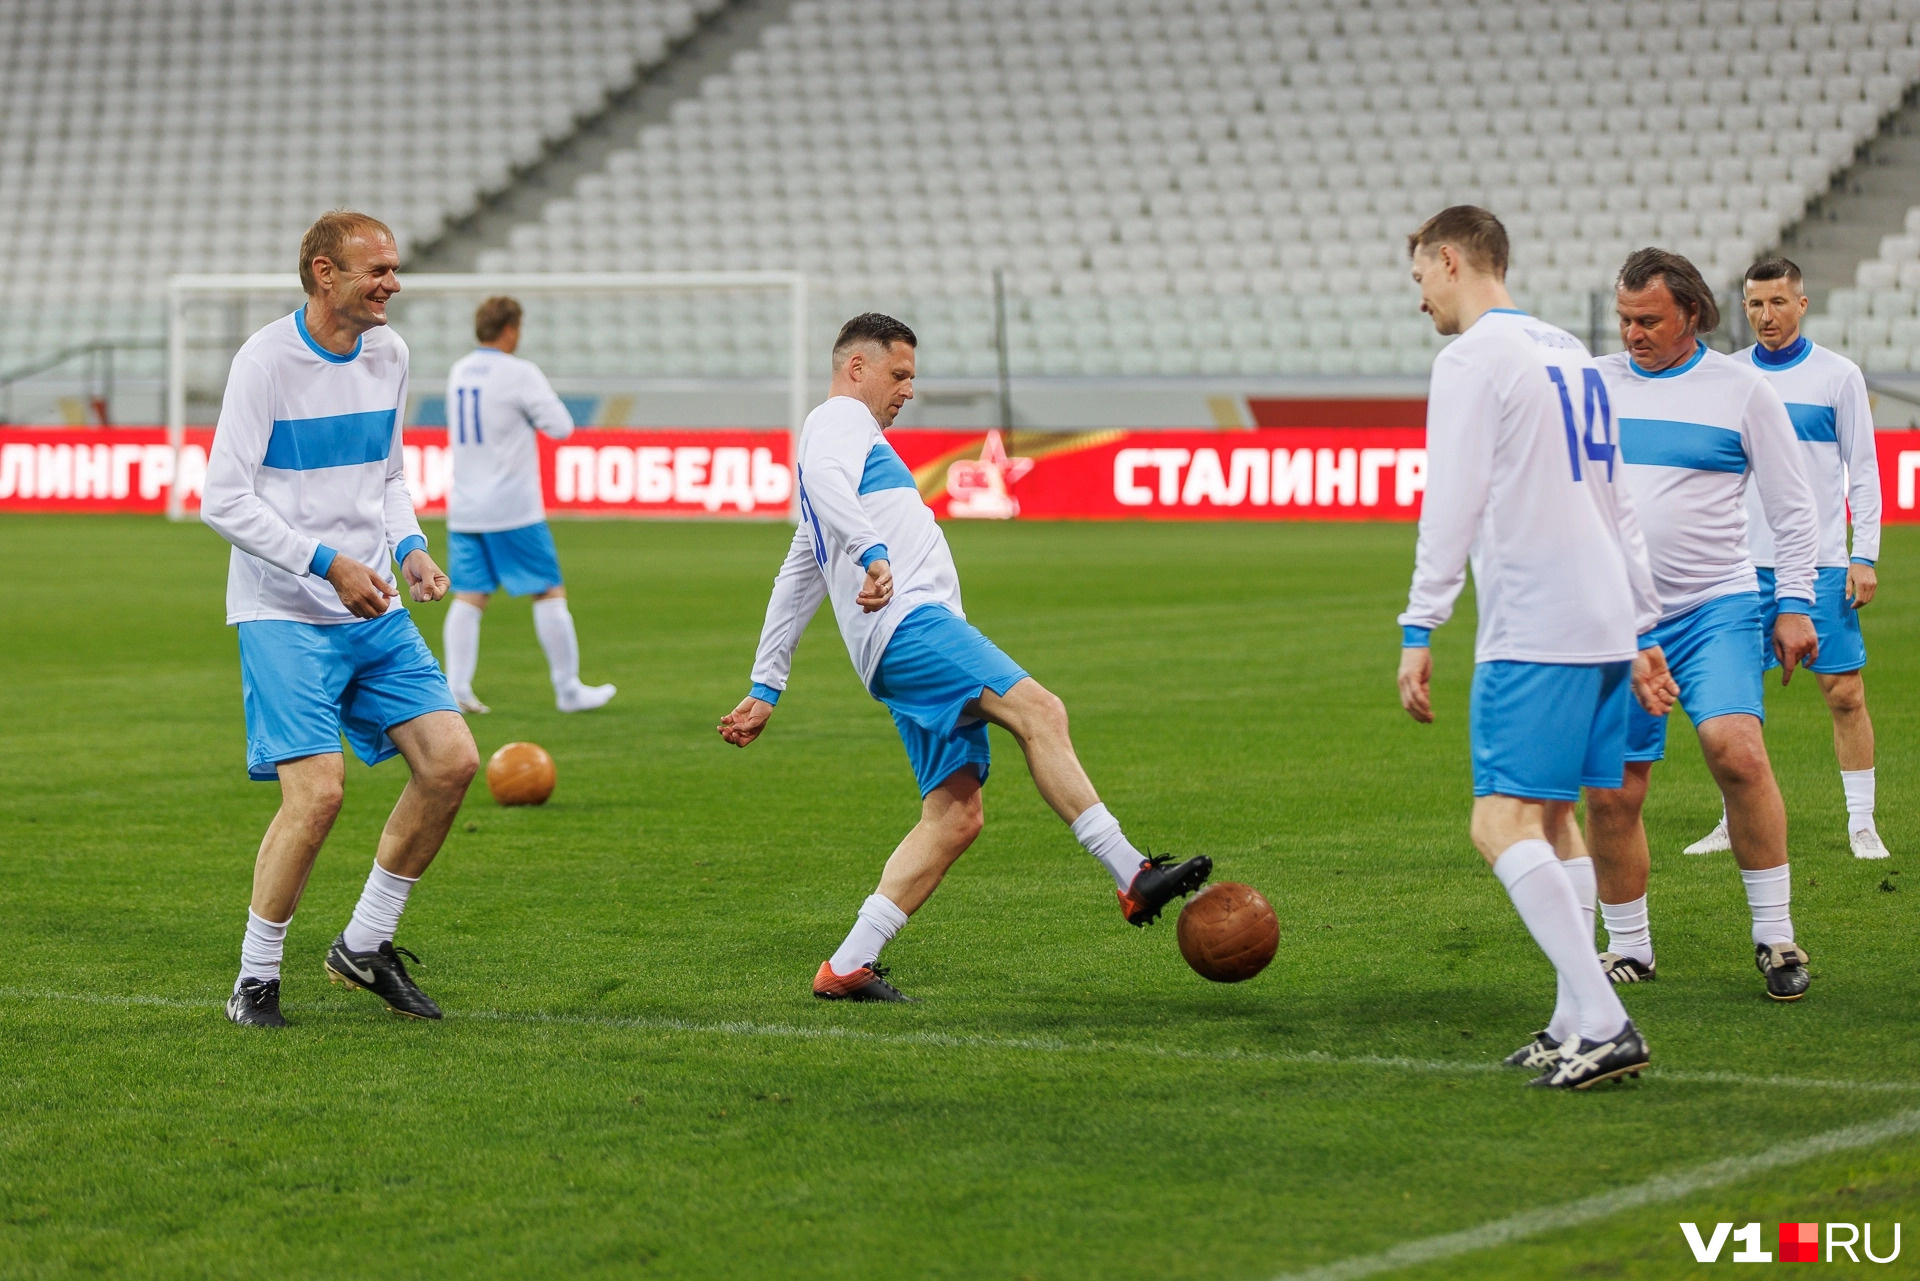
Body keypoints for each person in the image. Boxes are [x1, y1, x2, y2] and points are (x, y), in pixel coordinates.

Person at [718, 313, 1212, 1002]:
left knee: (955, 815)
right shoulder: (838, 424)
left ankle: (848, 963)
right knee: (1040, 708)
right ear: (856, 368)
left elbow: (799, 571)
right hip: (911, 625)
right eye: (900, 374)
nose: (908, 390)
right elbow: (828, 497)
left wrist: (767, 685)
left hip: (897, 641)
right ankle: (1131, 874)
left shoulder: (841, 455)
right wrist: (875, 553)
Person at [1396, 207, 1677, 1089]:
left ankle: (1603, 1018)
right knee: (1556, 819)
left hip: (1538, 621)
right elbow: (1617, 497)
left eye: (1419, 280)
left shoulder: (1473, 359)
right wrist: (1640, 625)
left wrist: (1420, 622)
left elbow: (1453, 498)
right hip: (1599, 619)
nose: (1421, 302)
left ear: (1449, 260)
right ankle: (1570, 1016)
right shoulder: (1567, 351)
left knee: (1500, 822)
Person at [202, 210, 479, 1029]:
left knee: (453, 762)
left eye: (393, 268)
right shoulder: (265, 361)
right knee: (317, 796)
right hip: (284, 608)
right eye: (377, 270)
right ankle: (254, 981)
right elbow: (222, 498)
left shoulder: (389, 353)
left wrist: (413, 547)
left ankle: (365, 944)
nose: (393, 283)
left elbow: (387, 472)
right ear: (326, 275)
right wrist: (326, 563)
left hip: (374, 605)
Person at [1589, 248, 1821, 1002]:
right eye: (1624, 319)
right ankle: (1628, 947)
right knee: (1616, 790)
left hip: (1715, 606)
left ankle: (1775, 935)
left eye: (1648, 319)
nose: (1633, 334)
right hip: (1619, 621)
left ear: (1691, 311)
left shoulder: (1741, 389)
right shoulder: (1592, 386)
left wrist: (1793, 603)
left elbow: (1793, 509)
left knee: (1738, 750)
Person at [1683, 257, 1888, 861]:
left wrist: (1864, 554)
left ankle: (1861, 822)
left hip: (1820, 563)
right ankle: (1731, 820)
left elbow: (1863, 471)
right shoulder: (1725, 376)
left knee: (1844, 692)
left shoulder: (1838, 376)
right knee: (1733, 703)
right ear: (1742, 308)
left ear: (1801, 304)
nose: (1765, 316)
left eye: (1777, 303)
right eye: (1753, 304)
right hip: (1738, 568)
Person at [442, 296, 614, 715]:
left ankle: (456, 689)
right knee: (547, 590)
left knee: (469, 596)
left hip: (464, 506)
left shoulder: (460, 370)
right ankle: (568, 689)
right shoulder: (519, 373)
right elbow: (561, 426)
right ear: (511, 330)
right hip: (511, 506)